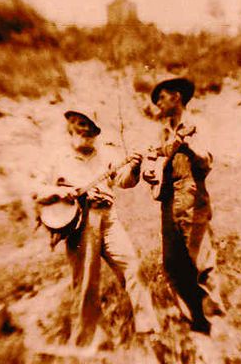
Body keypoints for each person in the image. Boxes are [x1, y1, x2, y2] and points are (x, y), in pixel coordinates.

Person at [34, 110, 160, 350]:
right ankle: (88, 340)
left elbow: (125, 181)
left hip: (109, 218)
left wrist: (134, 166)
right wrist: (59, 192)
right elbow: (36, 187)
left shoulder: (107, 155)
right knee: (86, 283)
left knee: (132, 267)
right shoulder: (57, 157)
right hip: (80, 224)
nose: (85, 130)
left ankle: (148, 329)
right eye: (80, 125)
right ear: (70, 127)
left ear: (96, 131)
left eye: (90, 126)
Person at [142, 78, 224, 335]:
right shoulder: (162, 133)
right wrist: (150, 173)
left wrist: (189, 148)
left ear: (177, 97)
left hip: (191, 196)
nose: (157, 103)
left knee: (201, 262)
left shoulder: (198, 126)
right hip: (167, 201)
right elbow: (151, 165)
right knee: (172, 264)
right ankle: (195, 321)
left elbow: (207, 162)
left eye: (161, 97)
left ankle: (216, 320)